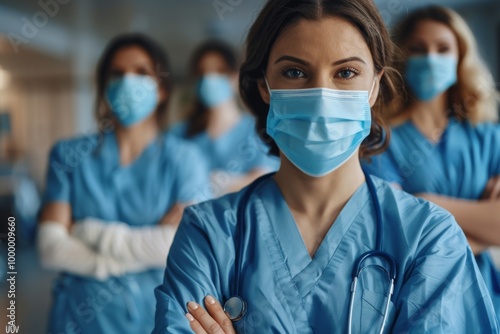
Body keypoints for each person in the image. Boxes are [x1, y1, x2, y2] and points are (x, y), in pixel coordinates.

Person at [153, 1, 498, 333]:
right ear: (265, 87)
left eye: (346, 72)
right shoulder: (208, 233)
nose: (320, 94)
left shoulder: (430, 237)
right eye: (295, 72)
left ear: (374, 86)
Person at [37, 33, 210, 333]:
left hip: (153, 318)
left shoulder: (184, 159)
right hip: (78, 320)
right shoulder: (69, 155)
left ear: (162, 90)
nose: (128, 82)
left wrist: (90, 232)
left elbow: (181, 246)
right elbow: (50, 248)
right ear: (104, 87)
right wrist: (139, 248)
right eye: (117, 74)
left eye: (141, 73)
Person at [362, 5, 500, 320]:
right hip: (421, 306)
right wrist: (483, 225)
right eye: (419, 49)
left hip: (488, 299)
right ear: (401, 57)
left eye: (443, 49)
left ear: (461, 57)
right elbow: (400, 243)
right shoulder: (379, 140)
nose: (431, 58)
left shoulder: (487, 136)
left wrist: (425, 202)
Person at [170, 40, 279, 197]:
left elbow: (267, 180)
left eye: (220, 71)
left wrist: (216, 184)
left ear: (235, 77)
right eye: (202, 73)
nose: (209, 79)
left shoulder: (259, 130)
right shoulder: (180, 135)